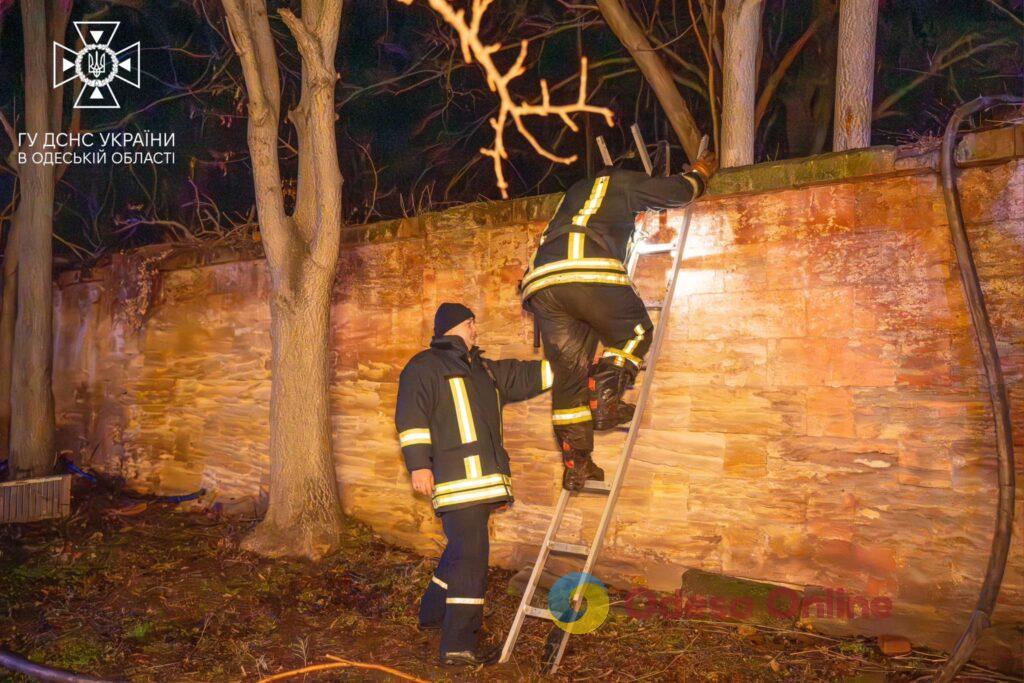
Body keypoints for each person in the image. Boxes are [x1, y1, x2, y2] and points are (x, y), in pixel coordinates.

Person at [520, 153, 718, 491]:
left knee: (570, 377)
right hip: (585, 270)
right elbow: (679, 192)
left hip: (542, 285)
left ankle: (578, 465)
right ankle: (606, 401)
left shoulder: (576, 192)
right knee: (636, 333)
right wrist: (700, 172)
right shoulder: (623, 182)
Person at [395, 302, 552, 666]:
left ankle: (432, 615)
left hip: (484, 485)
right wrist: (419, 466)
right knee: (472, 560)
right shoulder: (424, 367)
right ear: (452, 327)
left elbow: (528, 376)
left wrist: (575, 365)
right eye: (470, 324)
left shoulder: (484, 369)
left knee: (461, 551)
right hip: (456, 485)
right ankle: (459, 647)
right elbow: (410, 417)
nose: (475, 330)